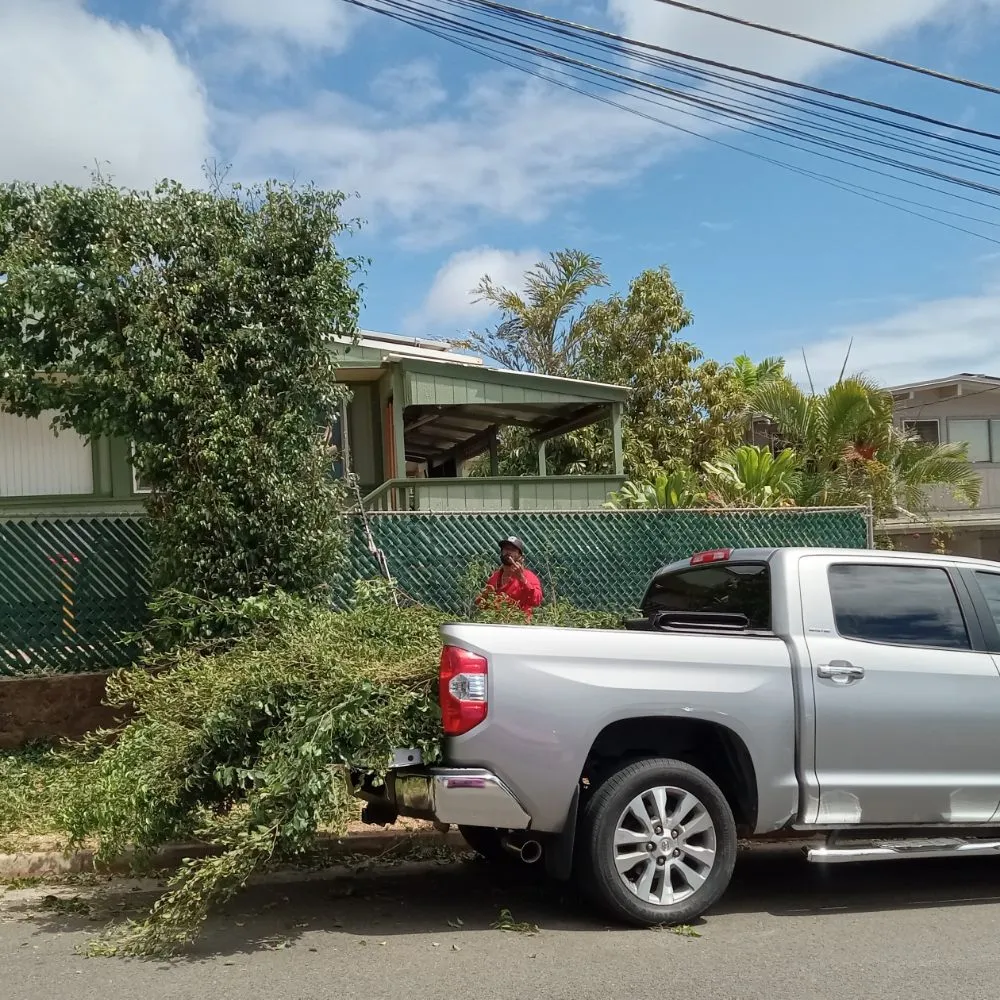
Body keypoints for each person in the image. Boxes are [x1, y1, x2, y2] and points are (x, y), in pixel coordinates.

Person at [478, 536, 543, 619]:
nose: (508, 552)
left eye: (513, 550)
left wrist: (522, 579)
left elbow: (536, 600)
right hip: (497, 624)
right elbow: (483, 606)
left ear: (521, 556)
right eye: (505, 549)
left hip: (519, 624)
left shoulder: (528, 576)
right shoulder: (495, 577)